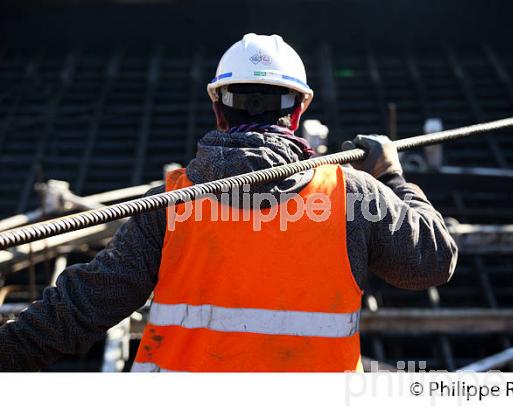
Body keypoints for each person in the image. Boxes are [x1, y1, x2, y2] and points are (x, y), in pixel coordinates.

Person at [0, 34, 457, 372]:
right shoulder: (353, 194)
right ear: (298, 112)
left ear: (218, 108)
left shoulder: (172, 202)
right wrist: (393, 176)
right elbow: (433, 263)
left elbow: (79, 308)